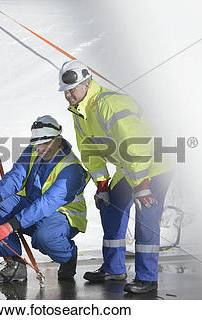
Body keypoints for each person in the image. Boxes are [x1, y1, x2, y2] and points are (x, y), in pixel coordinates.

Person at [58, 59, 172, 294]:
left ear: (87, 84)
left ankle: (147, 279)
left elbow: (136, 143)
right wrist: (102, 184)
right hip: (128, 166)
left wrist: (142, 184)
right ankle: (114, 268)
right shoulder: (80, 112)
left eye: (72, 89)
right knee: (111, 207)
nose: (68, 94)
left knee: (146, 216)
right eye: (65, 91)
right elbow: (89, 150)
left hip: (154, 166)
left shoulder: (110, 103)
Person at [0, 115, 89, 283]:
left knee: (44, 238)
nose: (39, 149)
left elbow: (46, 204)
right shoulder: (34, 150)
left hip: (61, 216)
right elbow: (15, 177)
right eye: (36, 144)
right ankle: (15, 265)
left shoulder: (72, 169)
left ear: (58, 140)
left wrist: (9, 226)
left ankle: (68, 256)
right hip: (33, 207)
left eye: (44, 144)